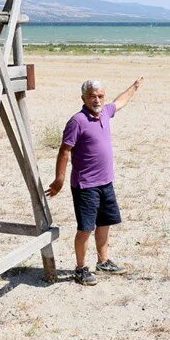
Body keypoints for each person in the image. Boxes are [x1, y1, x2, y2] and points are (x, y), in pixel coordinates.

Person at [48, 77, 144, 286]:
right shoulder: (77, 121)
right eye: (92, 96)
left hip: (105, 182)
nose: (97, 100)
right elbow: (65, 150)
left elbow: (120, 102)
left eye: (100, 96)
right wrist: (59, 179)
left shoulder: (105, 113)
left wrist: (134, 87)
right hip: (86, 185)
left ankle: (103, 261)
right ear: (83, 97)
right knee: (85, 228)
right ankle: (80, 269)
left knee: (104, 223)